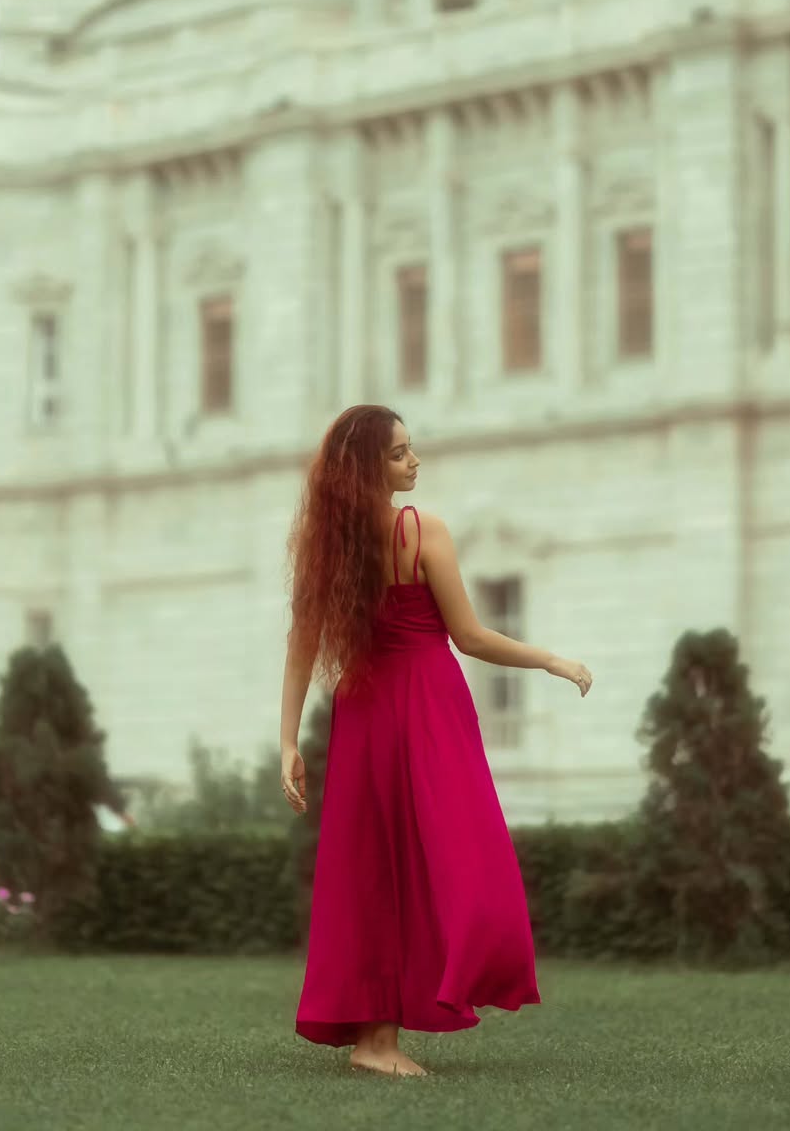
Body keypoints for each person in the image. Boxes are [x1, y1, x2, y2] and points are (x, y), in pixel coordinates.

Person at [279, 405, 594, 1078]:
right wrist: (552, 660)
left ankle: (375, 1038)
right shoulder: (423, 530)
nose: (413, 461)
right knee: (460, 854)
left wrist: (288, 743)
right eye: (398, 453)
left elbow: (300, 649)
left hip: (363, 710)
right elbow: (471, 635)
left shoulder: (327, 542)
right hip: (425, 704)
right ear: (371, 467)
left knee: (372, 865)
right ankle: (378, 1042)